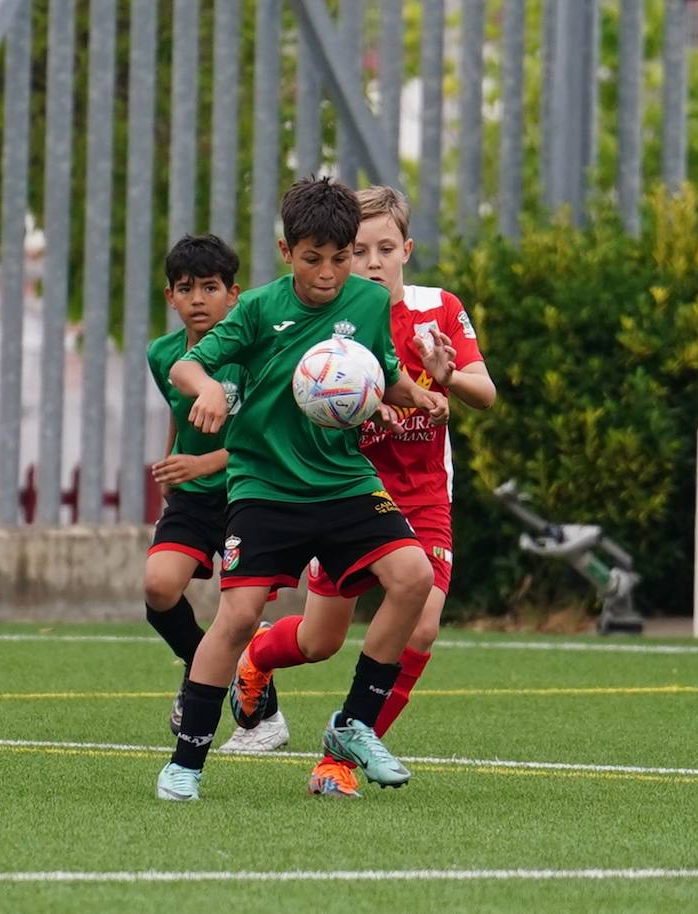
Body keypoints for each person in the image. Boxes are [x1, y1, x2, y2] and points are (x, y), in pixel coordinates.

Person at [155, 176, 449, 802]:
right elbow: (189, 363)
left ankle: (351, 725)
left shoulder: (368, 304)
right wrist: (204, 387)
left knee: (413, 578)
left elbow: (382, 375)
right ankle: (186, 762)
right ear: (287, 252)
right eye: (312, 259)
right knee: (236, 618)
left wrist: (416, 393)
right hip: (266, 487)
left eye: (340, 259)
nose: (328, 273)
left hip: (345, 482)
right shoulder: (259, 308)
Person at [226, 185, 496, 798]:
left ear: (407, 249)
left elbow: (485, 392)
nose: (372, 262)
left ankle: (341, 752)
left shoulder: (438, 311)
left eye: (383, 249)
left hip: (423, 493)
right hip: (345, 490)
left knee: (422, 624)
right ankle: (257, 661)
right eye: (359, 251)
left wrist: (450, 377)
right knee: (320, 641)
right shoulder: (333, 311)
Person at [143, 235, 290, 759]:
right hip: (190, 498)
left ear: (235, 295)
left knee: (240, 614)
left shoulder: (252, 354)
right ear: (171, 298)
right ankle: (198, 666)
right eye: (187, 289)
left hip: (245, 493)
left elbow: (262, 434)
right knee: (159, 588)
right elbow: (179, 415)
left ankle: (263, 716)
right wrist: (170, 465)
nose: (199, 298)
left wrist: (202, 463)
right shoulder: (163, 354)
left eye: (211, 287)